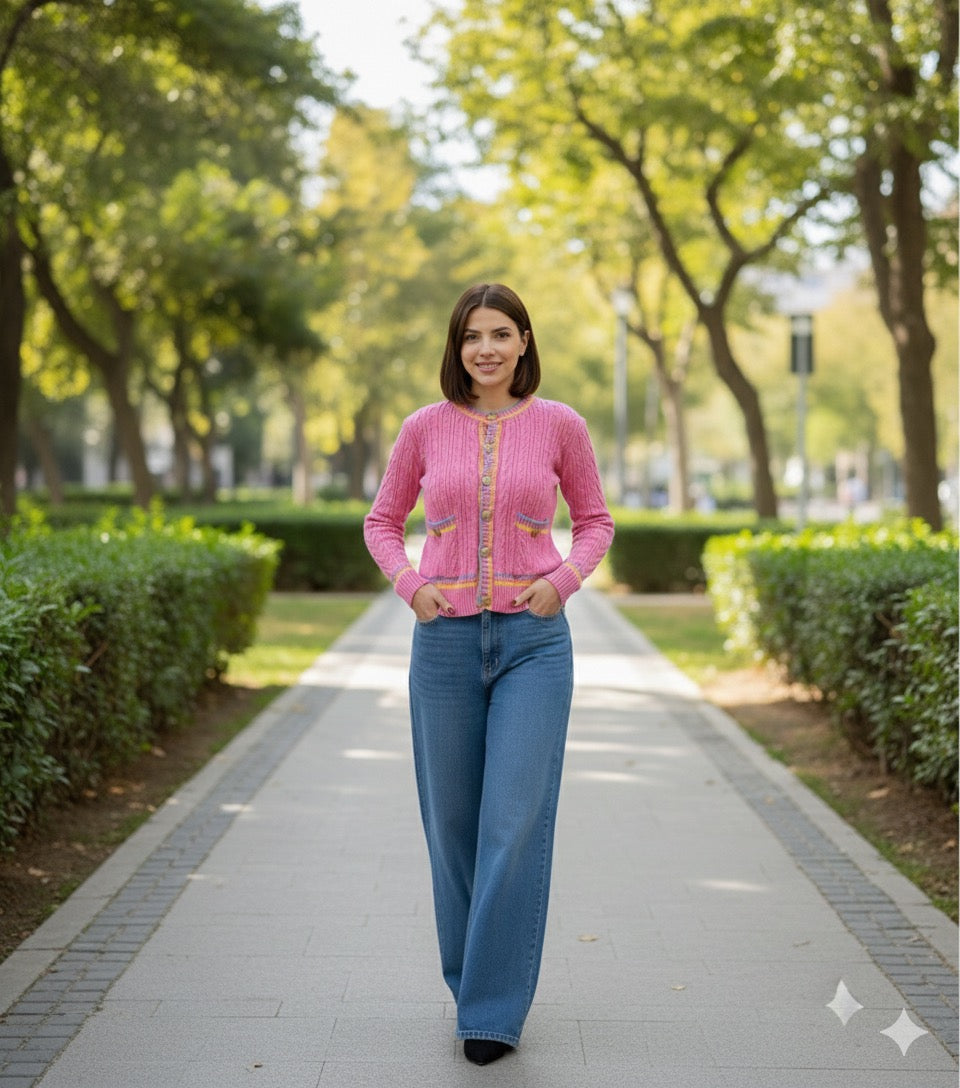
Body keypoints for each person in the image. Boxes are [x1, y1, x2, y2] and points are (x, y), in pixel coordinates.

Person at [363, 283, 614, 1066]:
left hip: (534, 644)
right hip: (443, 648)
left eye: (501, 333)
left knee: (512, 823)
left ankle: (491, 1014)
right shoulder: (423, 428)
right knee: (453, 831)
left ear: (526, 342)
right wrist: (411, 585)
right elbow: (380, 521)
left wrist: (565, 579)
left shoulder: (561, 425)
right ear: (457, 346)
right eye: (473, 336)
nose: (487, 349)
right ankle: (471, 980)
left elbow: (597, 520)